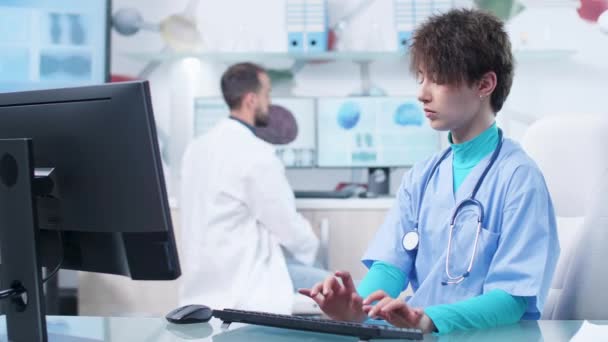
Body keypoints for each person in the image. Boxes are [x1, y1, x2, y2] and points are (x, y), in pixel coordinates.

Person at [300, 9, 560, 334]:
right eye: (421, 77)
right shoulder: (422, 177)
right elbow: (392, 268)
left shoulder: (519, 179)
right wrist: (355, 307)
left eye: (437, 78)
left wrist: (430, 319)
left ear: (485, 83)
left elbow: (511, 298)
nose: (422, 93)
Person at [179, 62, 327, 314]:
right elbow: (288, 227)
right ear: (251, 100)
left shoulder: (196, 147)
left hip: (200, 287)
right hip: (246, 285)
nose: (268, 103)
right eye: (267, 95)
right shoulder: (255, 154)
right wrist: (316, 252)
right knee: (354, 292)